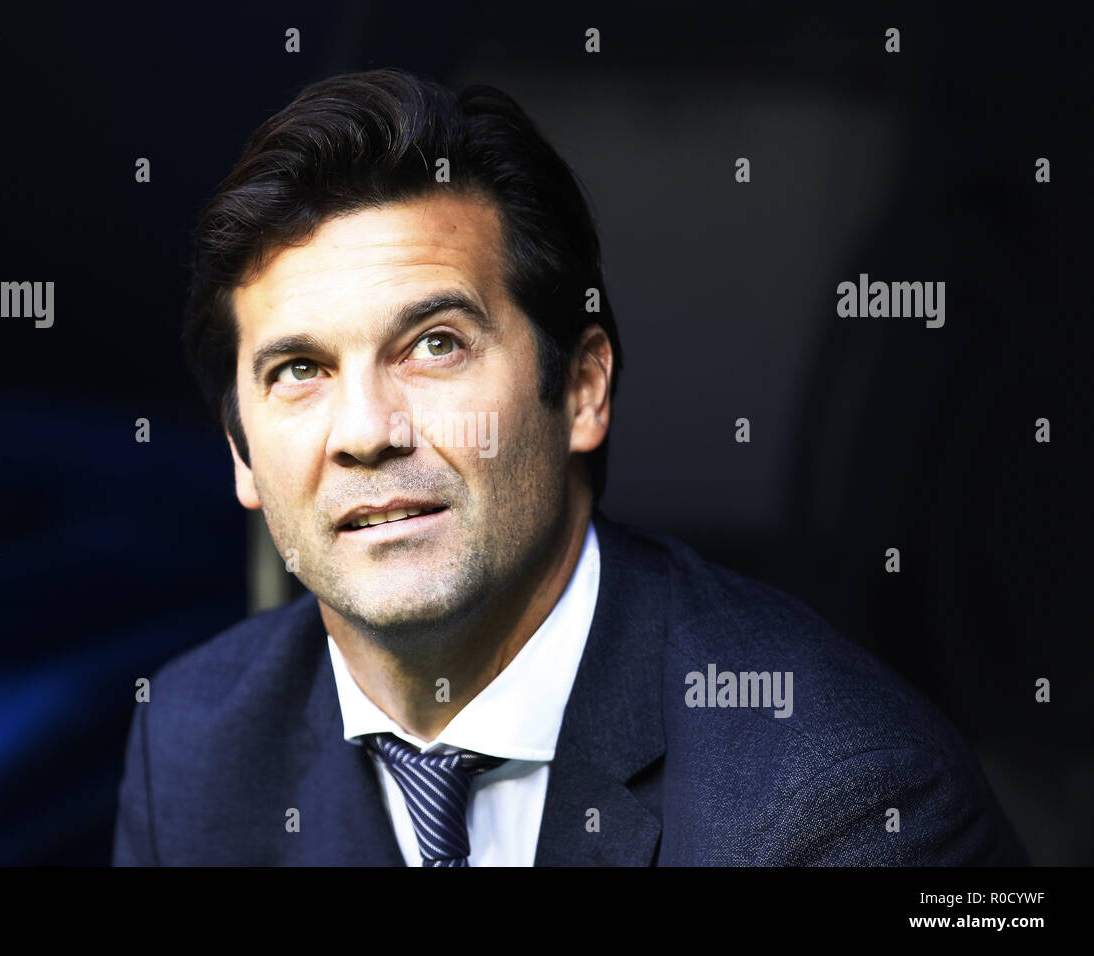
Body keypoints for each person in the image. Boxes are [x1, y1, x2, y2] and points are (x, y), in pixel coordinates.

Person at [112, 67, 1027, 866]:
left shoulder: (842, 804)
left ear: (583, 388)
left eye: (435, 345)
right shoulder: (192, 744)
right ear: (240, 451)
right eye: (300, 370)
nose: (365, 431)